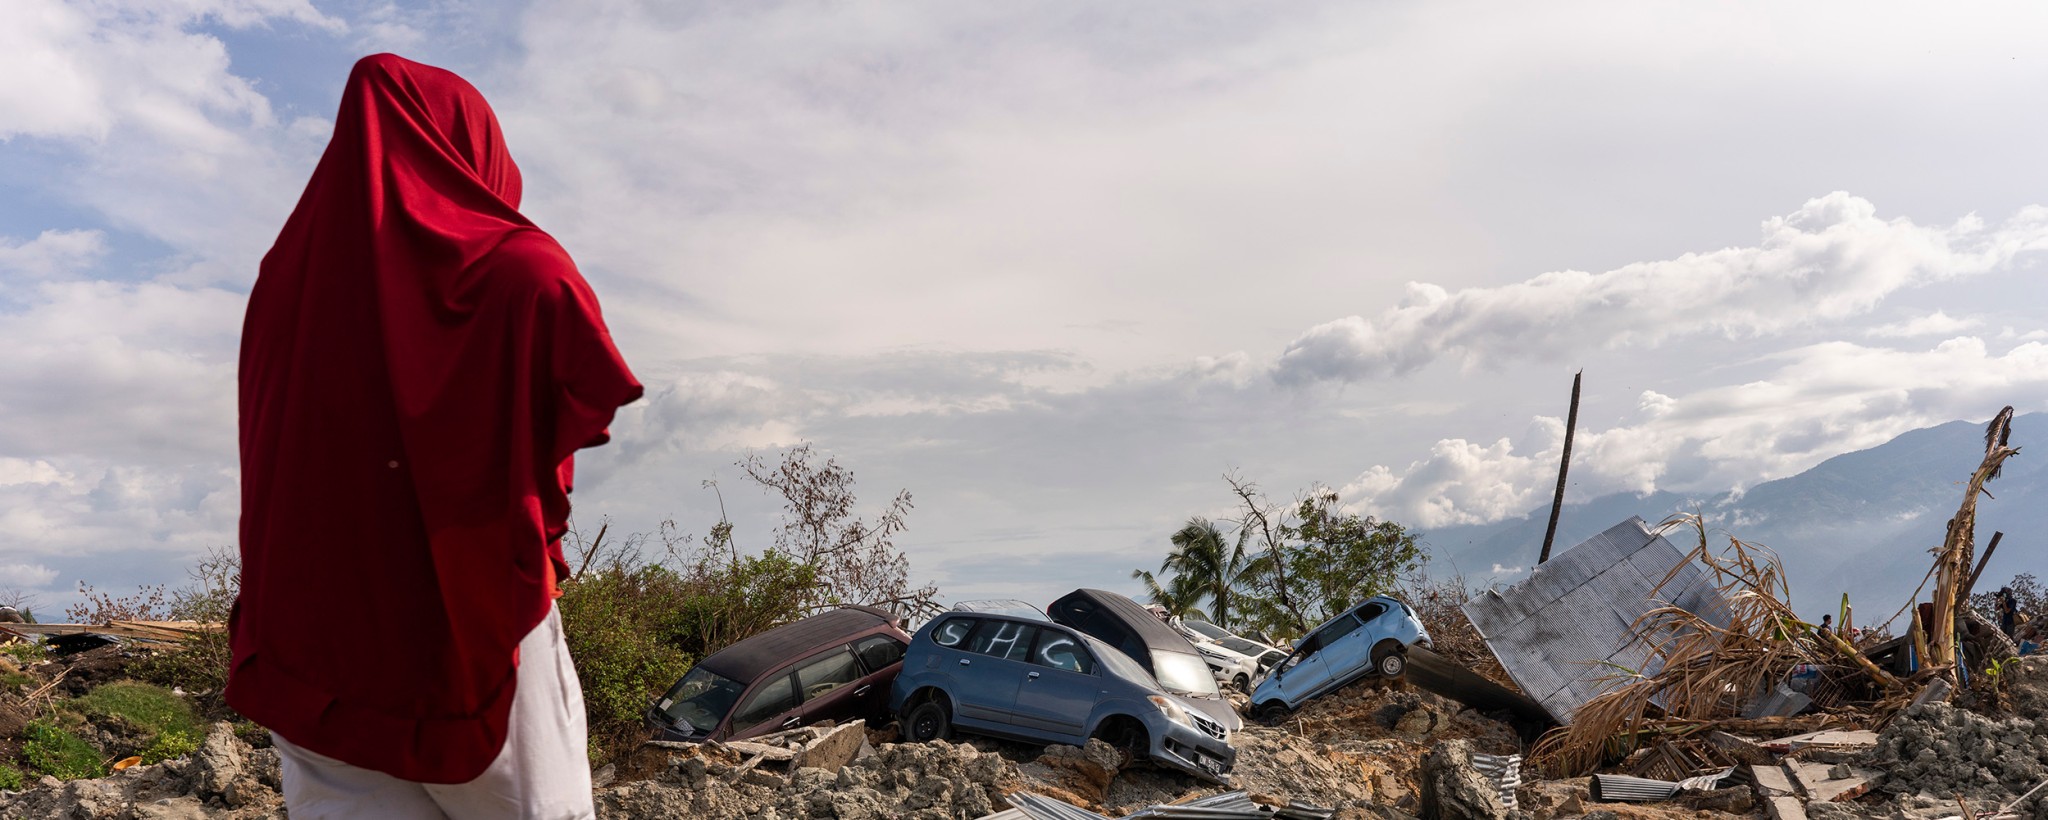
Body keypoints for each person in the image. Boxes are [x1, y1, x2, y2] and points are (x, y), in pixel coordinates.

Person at [227, 54, 642, 820]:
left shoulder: (280, 287)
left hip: (312, 638)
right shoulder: (516, 268)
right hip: (467, 628)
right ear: (466, 150)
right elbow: (573, 382)